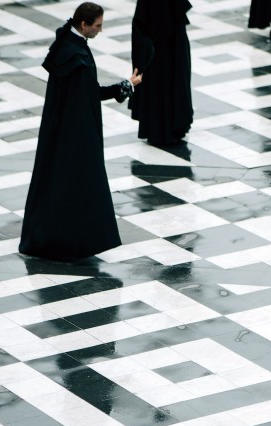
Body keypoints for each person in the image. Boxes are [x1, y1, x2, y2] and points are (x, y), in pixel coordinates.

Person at [20, 2, 141, 260]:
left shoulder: (68, 45)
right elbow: (89, 95)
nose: (100, 30)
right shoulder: (77, 57)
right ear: (84, 24)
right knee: (78, 185)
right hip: (75, 136)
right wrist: (125, 87)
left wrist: (124, 86)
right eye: (97, 26)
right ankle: (72, 242)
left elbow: (85, 93)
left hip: (61, 131)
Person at [130, 0, 193, 147]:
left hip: (155, 41)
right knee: (172, 79)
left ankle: (159, 128)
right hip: (170, 42)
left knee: (158, 82)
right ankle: (172, 126)